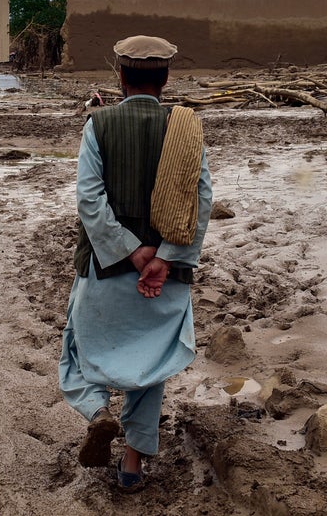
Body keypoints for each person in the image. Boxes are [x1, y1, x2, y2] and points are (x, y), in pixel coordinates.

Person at [58, 35, 212, 489]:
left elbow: (89, 199)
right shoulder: (186, 127)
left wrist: (129, 249)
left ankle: (98, 411)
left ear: (120, 75)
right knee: (151, 365)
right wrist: (164, 258)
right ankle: (131, 466)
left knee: (75, 350)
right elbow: (201, 200)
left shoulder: (99, 124)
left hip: (105, 268)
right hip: (166, 277)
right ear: (165, 79)